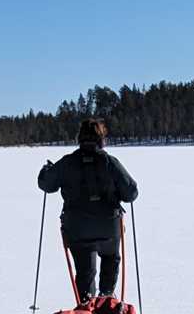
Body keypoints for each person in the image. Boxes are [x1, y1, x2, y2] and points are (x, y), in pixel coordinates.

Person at [37, 118, 139, 303]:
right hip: (109, 227)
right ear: (101, 139)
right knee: (110, 257)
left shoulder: (68, 162)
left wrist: (46, 171)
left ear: (80, 138)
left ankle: (86, 302)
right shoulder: (110, 162)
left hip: (77, 228)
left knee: (85, 268)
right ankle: (106, 298)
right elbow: (131, 193)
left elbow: (46, 185)